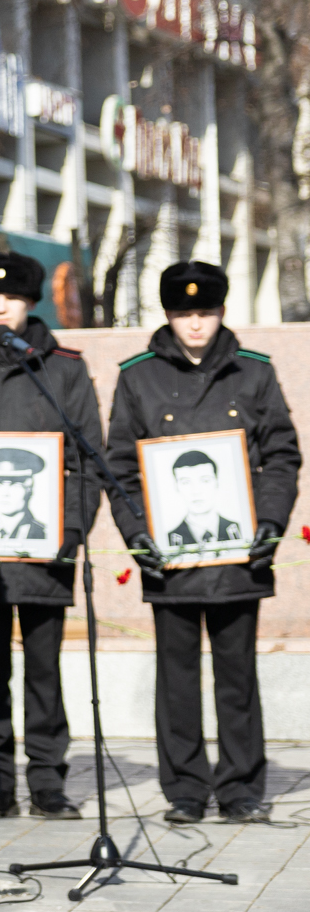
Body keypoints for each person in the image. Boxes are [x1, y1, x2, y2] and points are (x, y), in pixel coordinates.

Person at [106, 261, 299, 825]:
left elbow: (282, 454)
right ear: (167, 314)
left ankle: (241, 788)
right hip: (170, 558)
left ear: (222, 311)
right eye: (184, 313)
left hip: (240, 555)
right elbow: (120, 465)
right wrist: (137, 532)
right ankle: (186, 789)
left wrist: (269, 523)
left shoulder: (254, 372)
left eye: (206, 312)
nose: (196, 324)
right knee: (177, 676)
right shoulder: (137, 376)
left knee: (237, 676)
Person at [0, 252, 100, 823]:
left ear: (32, 303)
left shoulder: (65, 367)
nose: (2, 305)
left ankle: (49, 783)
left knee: (45, 670)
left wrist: (71, 531)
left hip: (45, 550)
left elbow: (86, 461)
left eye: (13, 298)